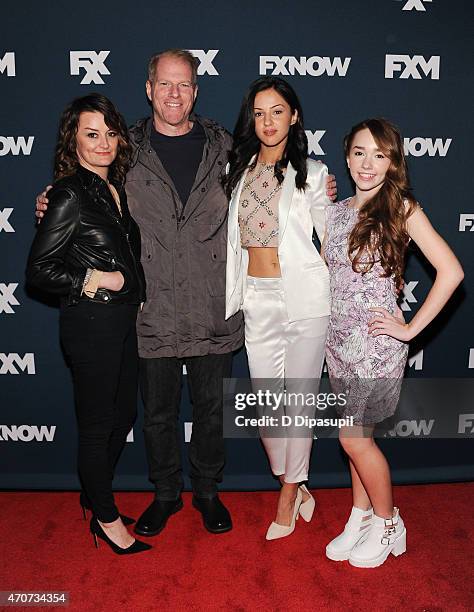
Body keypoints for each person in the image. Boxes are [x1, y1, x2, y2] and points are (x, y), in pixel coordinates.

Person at [36, 50, 337, 537]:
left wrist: (324, 190)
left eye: (185, 85)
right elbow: (87, 187)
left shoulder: (226, 146)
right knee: (156, 412)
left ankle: (208, 492)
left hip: (214, 302)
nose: (175, 94)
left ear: (196, 91)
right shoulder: (125, 146)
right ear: (150, 89)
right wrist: (52, 199)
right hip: (151, 305)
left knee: (210, 410)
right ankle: (165, 493)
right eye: (165, 84)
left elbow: (281, 183)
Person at [323, 118, 464, 567]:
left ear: (392, 162)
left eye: (379, 155)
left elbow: (452, 271)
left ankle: (389, 523)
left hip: (375, 347)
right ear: (347, 157)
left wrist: (408, 330)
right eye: (360, 153)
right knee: (357, 440)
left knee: (353, 440)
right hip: (338, 343)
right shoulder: (339, 209)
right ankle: (360, 516)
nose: (368, 164)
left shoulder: (401, 206)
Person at [27, 94, 150, 555]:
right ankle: (105, 518)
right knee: (99, 424)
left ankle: (94, 494)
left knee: (124, 415)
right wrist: (96, 278)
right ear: (72, 141)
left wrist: (132, 293)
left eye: (109, 133)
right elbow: (39, 269)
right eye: (91, 134)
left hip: (119, 322)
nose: (103, 143)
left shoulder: (111, 188)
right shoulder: (69, 192)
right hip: (90, 324)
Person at [224, 77, 332, 540]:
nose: (268, 121)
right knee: (269, 408)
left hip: (306, 302)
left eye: (277, 111)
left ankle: (289, 491)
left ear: (295, 116)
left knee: (300, 404)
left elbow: (332, 241)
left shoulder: (313, 173)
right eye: (260, 112)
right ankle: (296, 480)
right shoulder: (238, 169)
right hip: (257, 297)